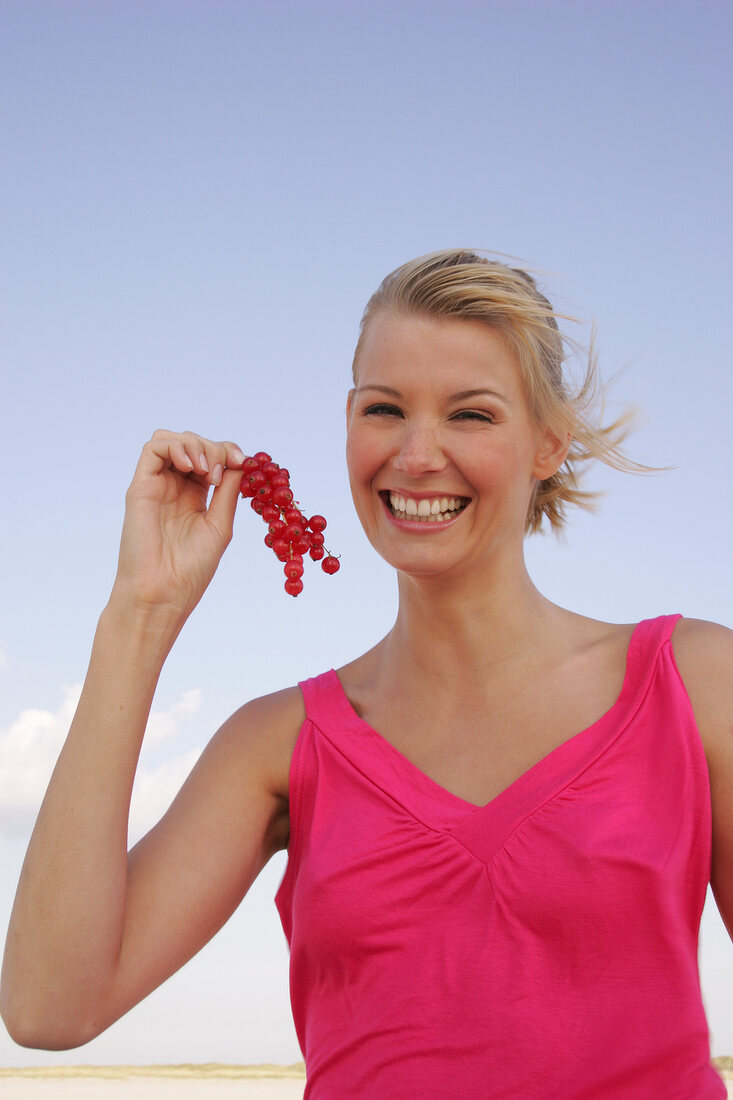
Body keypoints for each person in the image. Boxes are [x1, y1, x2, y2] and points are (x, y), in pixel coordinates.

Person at [1, 249, 731, 1098]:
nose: (417, 455)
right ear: (348, 423)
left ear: (547, 444)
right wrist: (140, 616)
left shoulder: (693, 682)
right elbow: (50, 1007)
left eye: (471, 415)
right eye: (384, 410)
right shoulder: (276, 742)